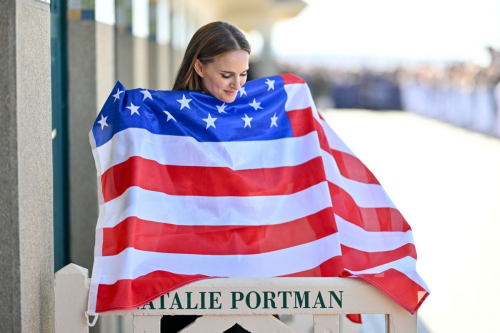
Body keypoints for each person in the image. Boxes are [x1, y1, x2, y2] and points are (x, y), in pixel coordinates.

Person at [161, 21, 252, 333]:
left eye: (243, 74)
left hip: (247, 269)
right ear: (199, 66)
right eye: (226, 75)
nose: (236, 85)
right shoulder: (168, 121)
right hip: (188, 274)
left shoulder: (251, 116)